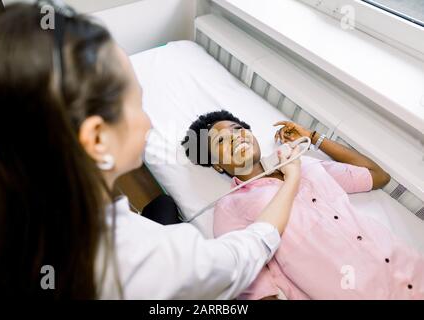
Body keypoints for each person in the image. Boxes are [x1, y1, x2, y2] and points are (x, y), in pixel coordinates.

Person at [0, 3, 302, 299]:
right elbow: (241, 257)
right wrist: (291, 181)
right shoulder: (152, 261)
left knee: (163, 207)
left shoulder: (3, 182)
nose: (148, 122)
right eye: (138, 104)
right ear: (97, 139)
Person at [182, 110, 424, 300]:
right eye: (221, 141)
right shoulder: (230, 207)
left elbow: (377, 176)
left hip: (411, 269)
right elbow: (257, 291)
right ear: (216, 165)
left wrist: (313, 138)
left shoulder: (303, 163)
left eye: (237, 129)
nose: (235, 137)